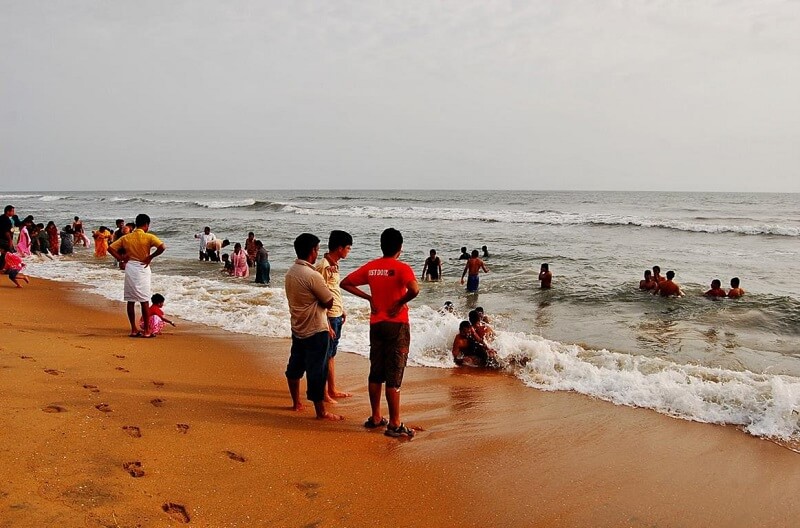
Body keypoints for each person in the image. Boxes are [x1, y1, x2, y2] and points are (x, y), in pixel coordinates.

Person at [341, 228, 420, 438]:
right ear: (400, 248)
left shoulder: (372, 267)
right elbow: (415, 289)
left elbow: (345, 283)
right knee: (394, 374)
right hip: (397, 324)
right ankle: (394, 423)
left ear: (382, 246)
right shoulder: (402, 268)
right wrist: (400, 302)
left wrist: (368, 298)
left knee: (376, 372)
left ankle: (376, 416)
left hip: (376, 324)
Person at [284, 233, 341, 421]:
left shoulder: (290, 272)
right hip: (316, 329)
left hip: (298, 327)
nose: (318, 252)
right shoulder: (312, 275)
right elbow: (328, 301)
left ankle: (296, 403)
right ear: (312, 251)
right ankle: (321, 412)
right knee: (317, 371)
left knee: (294, 368)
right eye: (317, 249)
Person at [107, 214, 166, 338]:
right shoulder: (149, 237)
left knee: (131, 300)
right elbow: (162, 247)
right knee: (144, 300)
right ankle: (147, 331)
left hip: (130, 267)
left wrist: (121, 259)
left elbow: (110, 248)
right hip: (143, 267)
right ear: (146, 225)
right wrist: (150, 257)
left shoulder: (127, 238)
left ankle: (133, 329)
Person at [316, 230, 353, 403]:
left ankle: (332, 389)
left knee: (331, 355)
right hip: (329, 317)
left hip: (336, 314)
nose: (349, 251)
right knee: (324, 356)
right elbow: (318, 294)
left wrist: (342, 309)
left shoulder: (334, 265)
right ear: (339, 248)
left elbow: (333, 290)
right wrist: (326, 323)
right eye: (348, 248)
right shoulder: (323, 266)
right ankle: (323, 393)